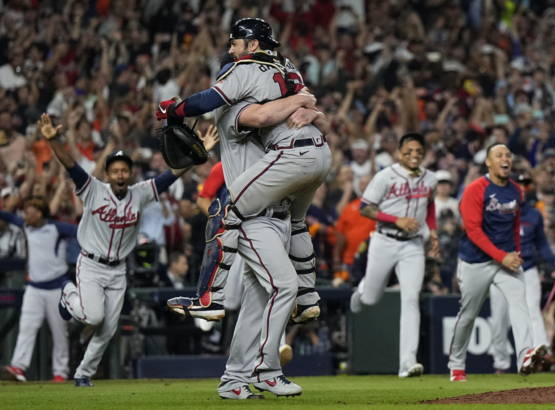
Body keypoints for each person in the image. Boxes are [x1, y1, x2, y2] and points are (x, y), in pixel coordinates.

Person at [161, 18, 331, 330]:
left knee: (224, 207)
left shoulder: (244, 71)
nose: (231, 50)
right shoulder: (288, 66)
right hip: (319, 153)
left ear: (252, 45)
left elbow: (211, 100)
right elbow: (306, 99)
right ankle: (307, 298)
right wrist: (309, 104)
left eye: (234, 44)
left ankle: (208, 298)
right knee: (298, 222)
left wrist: (173, 110)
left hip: (286, 161)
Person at [37, 113, 217, 387]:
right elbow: (70, 163)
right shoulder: (92, 189)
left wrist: (196, 153)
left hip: (118, 269)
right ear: (107, 174)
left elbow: (170, 176)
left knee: (108, 328)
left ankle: (83, 373)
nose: (120, 175)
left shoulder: (140, 192)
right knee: (94, 316)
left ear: (129, 173)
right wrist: (53, 142)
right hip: (91, 264)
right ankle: (67, 294)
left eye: (124, 170)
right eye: (115, 171)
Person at [448, 143, 546, 382]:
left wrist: (516, 253)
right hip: (476, 262)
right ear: (488, 163)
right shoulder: (474, 189)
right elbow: (473, 231)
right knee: (468, 314)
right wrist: (502, 256)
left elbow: (514, 228)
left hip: (506, 261)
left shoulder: (516, 191)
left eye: (508, 155)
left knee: (520, 303)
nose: (505, 159)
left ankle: (525, 355)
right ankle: (457, 364)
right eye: (499, 155)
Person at [349, 132, 438, 378]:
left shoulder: (430, 178)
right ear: (399, 152)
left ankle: (407, 362)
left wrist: (435, 234)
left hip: (413, 245)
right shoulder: (385, 175)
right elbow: (366, 208)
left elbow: (429, 205)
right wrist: (396, 220)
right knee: (371, 299)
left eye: (419, 151)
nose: (414, 155)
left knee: (411, 298)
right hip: (384, 240)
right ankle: (362, 291)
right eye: (409, 151)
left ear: (424, 154)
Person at [2, 197, 77, 383]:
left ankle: (60, 372)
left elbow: (81, 232)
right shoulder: (27, 226)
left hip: (56, 287)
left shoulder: (58, 228)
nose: (24, 215)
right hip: (34, 288)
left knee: (60, 332)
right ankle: (18, 367)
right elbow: (9, 217)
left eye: (28, 212)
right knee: (26, 327)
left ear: (39, 214)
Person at [490, 173, 555, 374]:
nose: (522, 188)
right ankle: (501, 363)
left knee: (532, 311)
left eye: (526, 185)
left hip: (527, 269)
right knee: (499, 318)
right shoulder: (498, 210)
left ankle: (542, 354)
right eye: (518, 184)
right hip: (500, 269)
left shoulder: (534, 214)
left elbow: (542, 244)